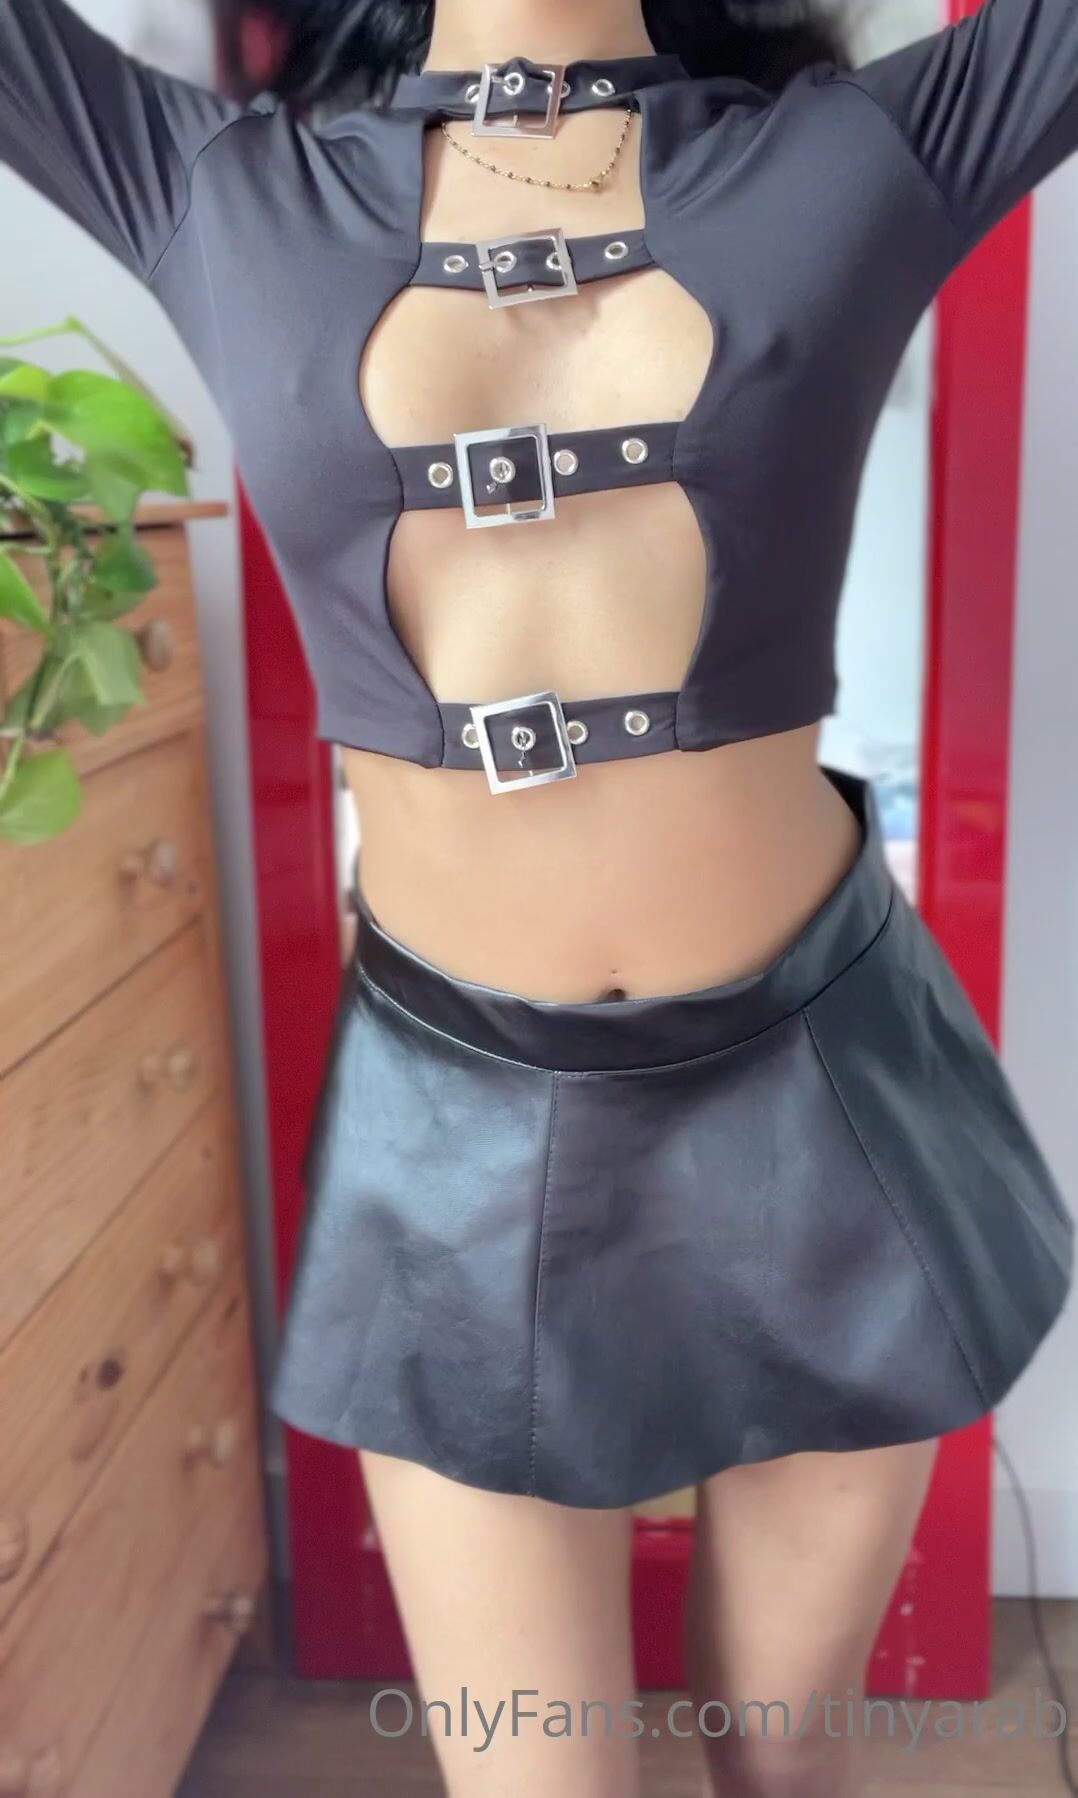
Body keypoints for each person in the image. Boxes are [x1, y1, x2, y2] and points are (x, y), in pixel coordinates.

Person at [2, 3, 1075, 1794]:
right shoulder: (215, 191)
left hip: (827, 1106)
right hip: (455, 1141)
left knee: (781, 1765)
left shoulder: (857, 160)